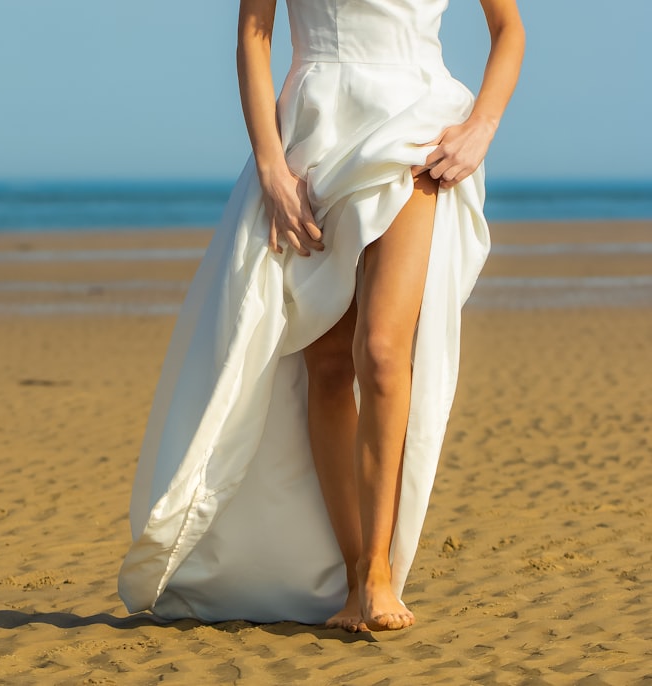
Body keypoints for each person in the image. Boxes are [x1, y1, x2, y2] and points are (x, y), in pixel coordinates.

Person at [119, 0, 524, 632]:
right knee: (328, 363)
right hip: (315, 133)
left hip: (416, 128)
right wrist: (271, 167)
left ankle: (380, 574)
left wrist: (481, 127)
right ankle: (355, 569)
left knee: (385, 351)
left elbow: (509, 28)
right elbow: (254, 36)